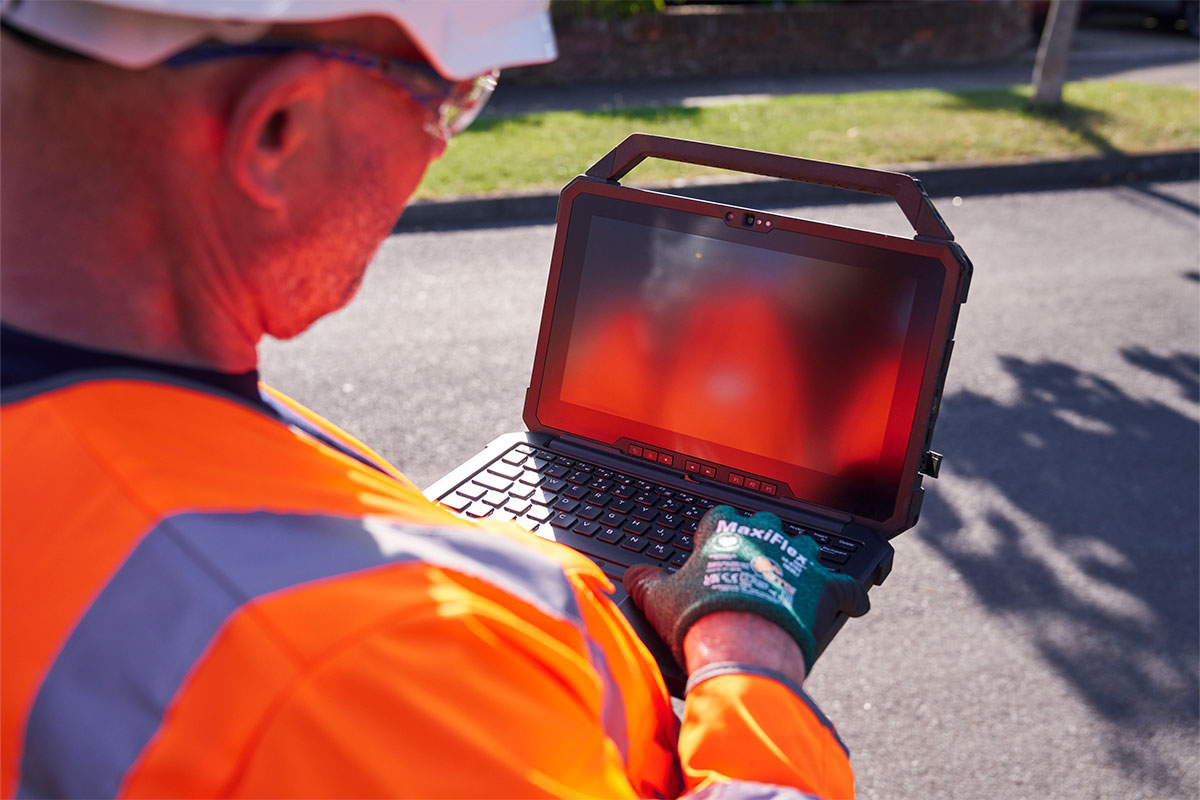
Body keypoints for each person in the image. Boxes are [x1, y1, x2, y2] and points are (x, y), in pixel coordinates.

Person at [0, 1, 869, 797]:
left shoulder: (128, 405)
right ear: (277, 127)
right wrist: (744, 658)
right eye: (445, 103)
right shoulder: (361, 674)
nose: (441, 145)